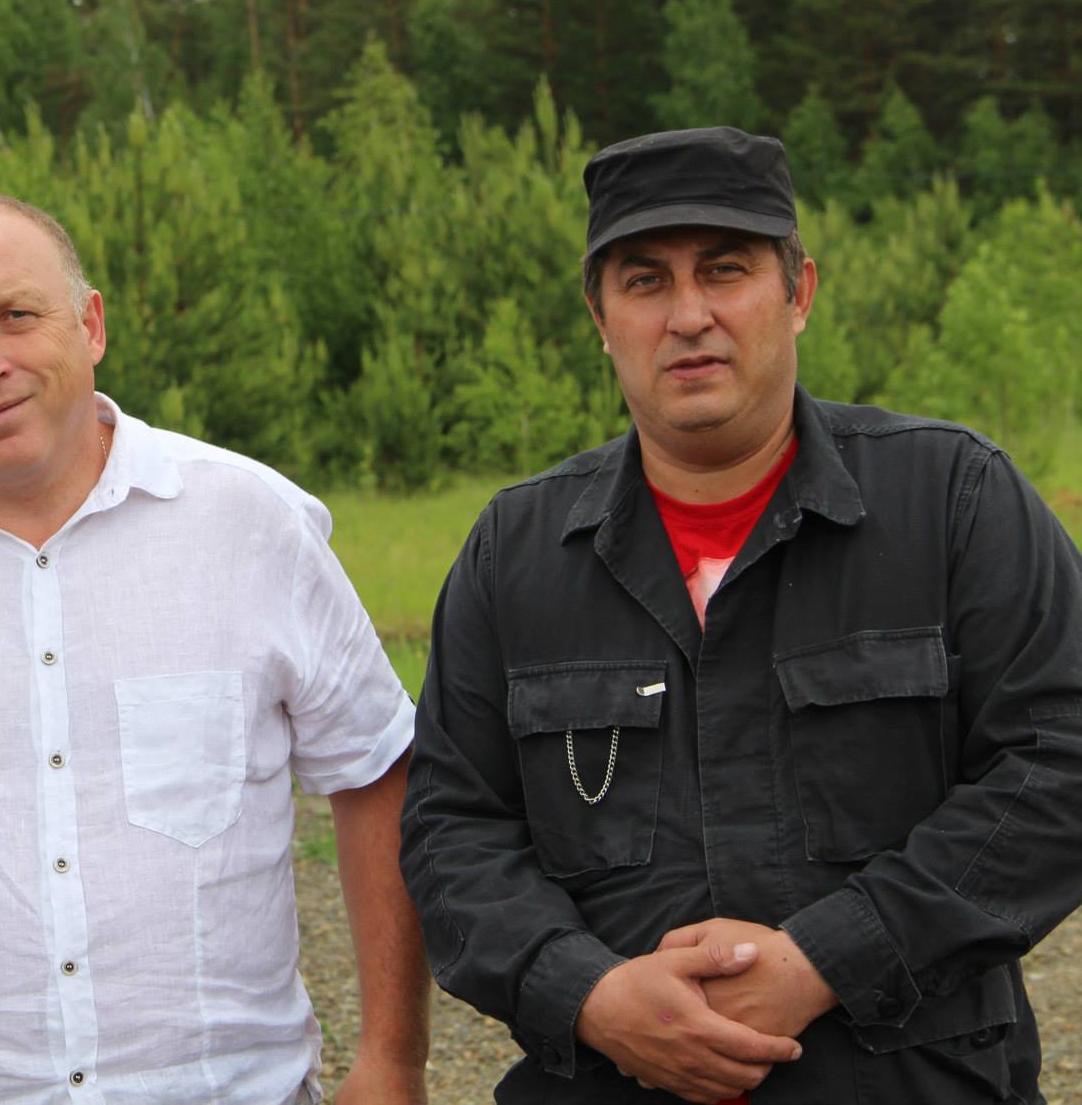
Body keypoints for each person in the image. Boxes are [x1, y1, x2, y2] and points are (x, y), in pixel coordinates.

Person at [401, 125, 1082, 1103]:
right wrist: (587, 993)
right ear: (600, 318)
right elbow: (451, 828)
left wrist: (828, 956)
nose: (688, 316)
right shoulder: (516, 553)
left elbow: (1059, 763)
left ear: (798, 292)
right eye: (644, 281)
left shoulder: (953, 503)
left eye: (724, 270)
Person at [0, 190, 427, 1103]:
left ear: (90, 325)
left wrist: (393, 1058)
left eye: (17, 316)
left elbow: (375, 773)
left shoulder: (252, 524)